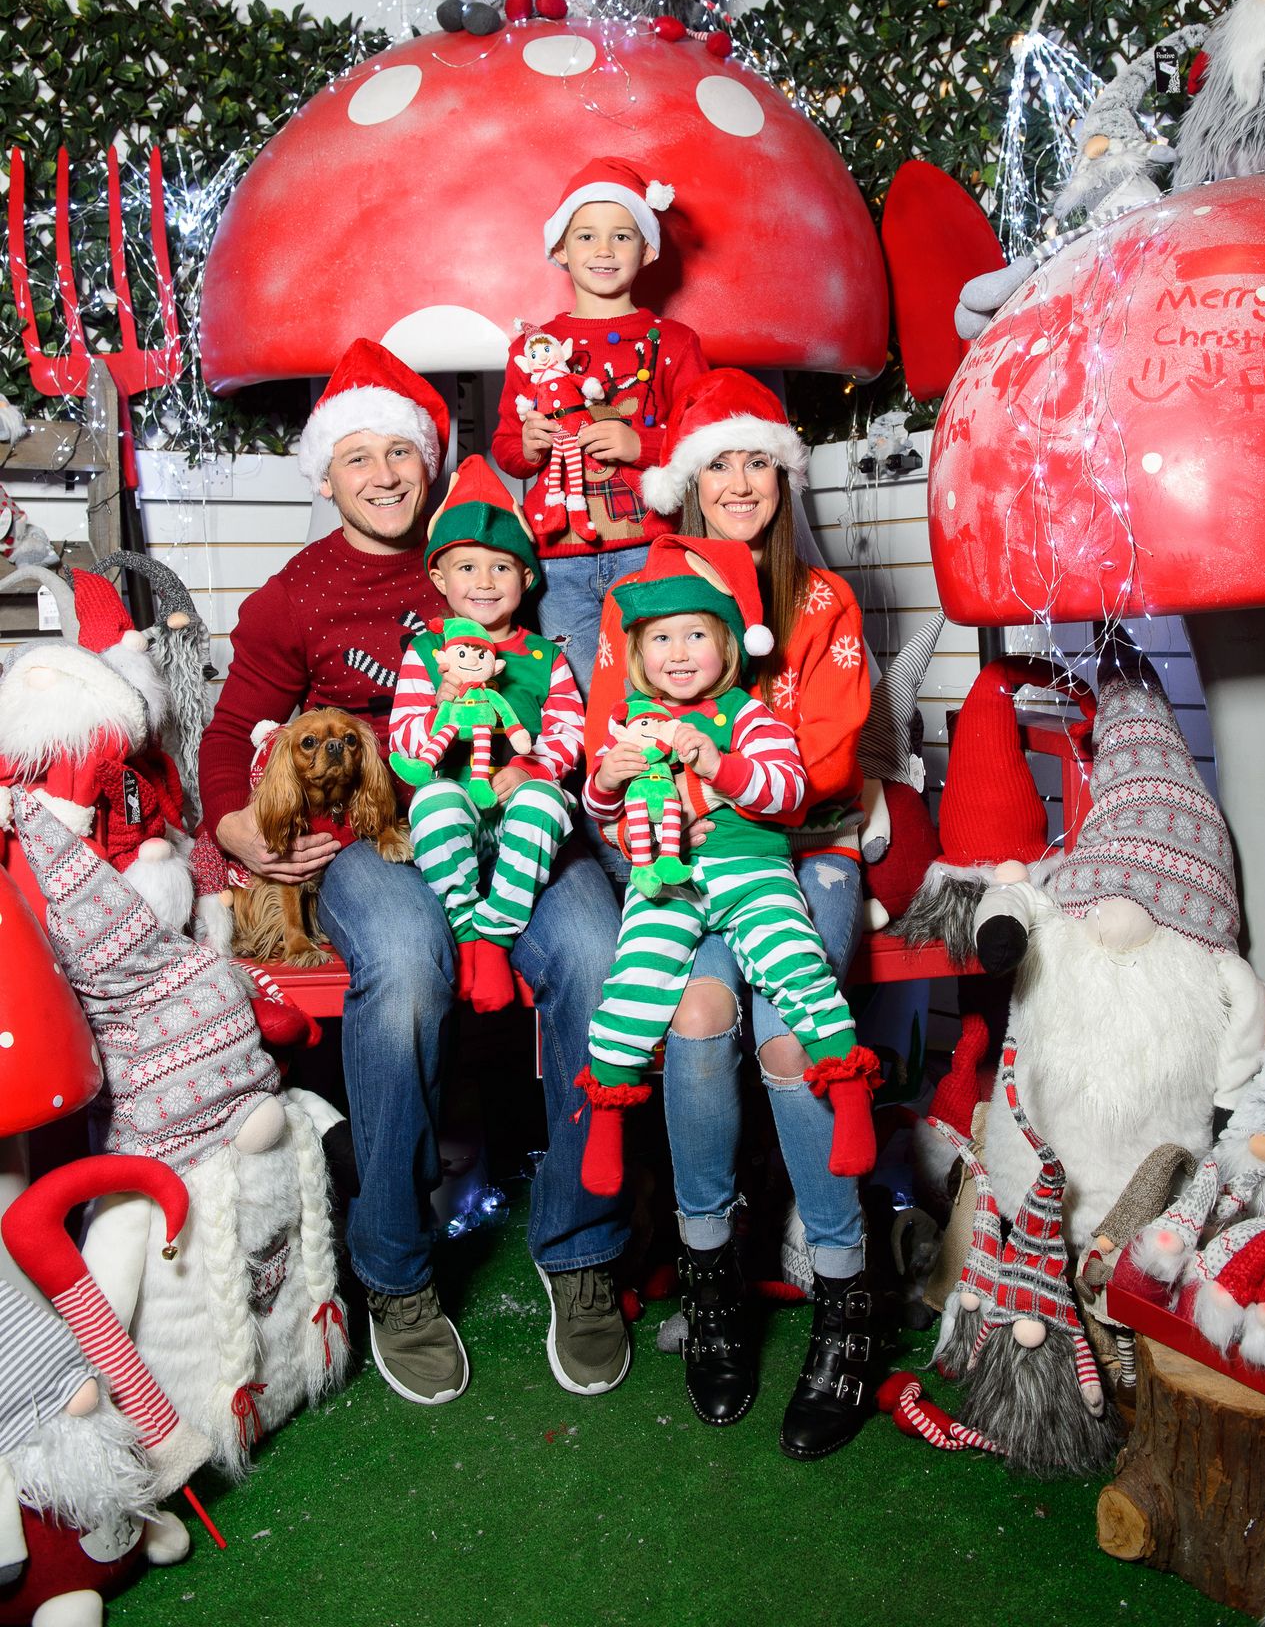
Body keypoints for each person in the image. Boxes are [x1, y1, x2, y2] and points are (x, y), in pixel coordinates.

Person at [199, 339, 632, 1408]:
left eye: (404, 449)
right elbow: (222, 741)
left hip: (516, 811)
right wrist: (237, 831)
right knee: (403, 959)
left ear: (432, 461)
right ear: (324, 474)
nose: (386, 473)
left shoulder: (486, 552)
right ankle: (394, 1268)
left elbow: (566, 681)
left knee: (590, 946)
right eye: (360, 457)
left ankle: (580, 1250)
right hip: (372, 839)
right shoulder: (291, 599)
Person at [584, 367, 873, 1460]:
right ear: (686, 482)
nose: (741, 479)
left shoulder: (821, 601)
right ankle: (711, 1278)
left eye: (759, 458)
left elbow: (828, 761)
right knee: (696, 1018)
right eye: (719, 461)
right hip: (685, 857)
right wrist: (629, 787)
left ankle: (845, 1298)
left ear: (783, 476)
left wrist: (729, 766)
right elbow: (612, 747)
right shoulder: (638, 599)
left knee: (794, 1039)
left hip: (804, 847)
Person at [576, 533, 879, 1202]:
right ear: (636, 655)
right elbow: (602, 811)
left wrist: (719, 766)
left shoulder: (749, 715)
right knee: (634, 980)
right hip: (668, 881)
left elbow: (789, 791)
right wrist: (607, 777)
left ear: (729, 647)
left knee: (794, 965)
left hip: (750, 872)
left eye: (694, 637)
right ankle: (604, 1115)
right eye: (659, 640)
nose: (677, 654)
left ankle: (849, 1094)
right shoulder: (633, 721)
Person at [490, 155, 708, 699]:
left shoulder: (676, 342)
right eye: (586, 236)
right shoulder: (530, 348)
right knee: (580, 690)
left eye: (621, 236)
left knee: (657, 683)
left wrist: (645, 444)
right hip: (557, 555)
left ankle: (655, 781)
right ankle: (593, 784)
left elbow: (707, 443)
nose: (604, 250)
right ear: (560, 249)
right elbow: (507, 451)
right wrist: (528, 444)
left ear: (649, 249)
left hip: (648, 544)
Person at [389, 456, 582, 1016]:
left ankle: (495, 938)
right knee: (433, 802)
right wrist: (440, 709)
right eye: (466, 568)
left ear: (526, 579)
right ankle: (466, 929)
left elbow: (569, 729)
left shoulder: (546, 658)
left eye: (500, 568)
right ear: (438, 578)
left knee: (546, 800)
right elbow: (404, 738)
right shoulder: (426, 654)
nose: (483, 582)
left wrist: (530, 768)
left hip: (518, 812)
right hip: (458, 809)